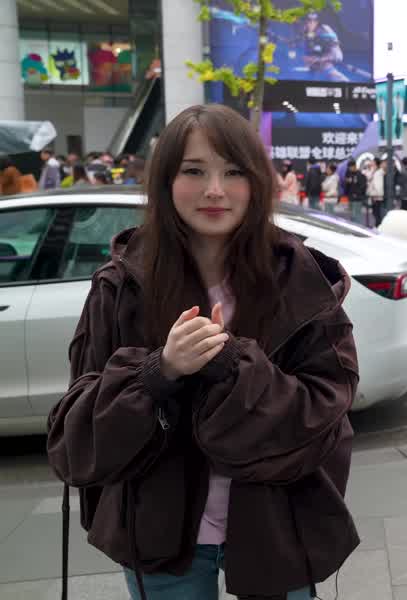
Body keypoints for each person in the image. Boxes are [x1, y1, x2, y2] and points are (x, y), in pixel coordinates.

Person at [47, 104, 359, 600]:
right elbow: (73, 433)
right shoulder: (121, 286)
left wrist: (236, 367)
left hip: (277, 526)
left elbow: (326, 406)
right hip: (160, 534)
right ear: (166, 182)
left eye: (234, 172)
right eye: (193, 171)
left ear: (257, 182)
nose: (215, 190)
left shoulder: (300, 280)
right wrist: (157, 371)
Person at [302, 12, 348, 82]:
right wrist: (309, 59)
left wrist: (320, 59)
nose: (311, 23)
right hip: (314, 70)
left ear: (317, 22)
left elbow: (337, 55)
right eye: (308, 21)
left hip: (327, 68)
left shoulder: (325, 31)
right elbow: (307, 54)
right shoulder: (306, 31)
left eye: (314, 21)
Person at [345, 159, 367, 224]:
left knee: (357, 214)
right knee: (351, 214)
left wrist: (357, 193)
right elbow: (347, 186)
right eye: (349, 167)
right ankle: (352, 226)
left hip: (357, 198)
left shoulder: (360, 174)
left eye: (350, 167)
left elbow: (363, 186)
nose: (349, 169)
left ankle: (359, 226)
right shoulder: (348, 174)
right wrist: (347, 182)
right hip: (350, 197)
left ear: (354, 166)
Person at [367, 157, 385, 227]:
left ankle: (378, 228)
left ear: (375, 163)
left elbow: (379, 188)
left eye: (373, 162)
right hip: (374, 197)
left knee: (377, 214)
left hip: (377, 197)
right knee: (375, 214)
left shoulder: (378, 173)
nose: (371, 163)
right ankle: (377, 227)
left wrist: (374, 195)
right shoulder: (374, 172)